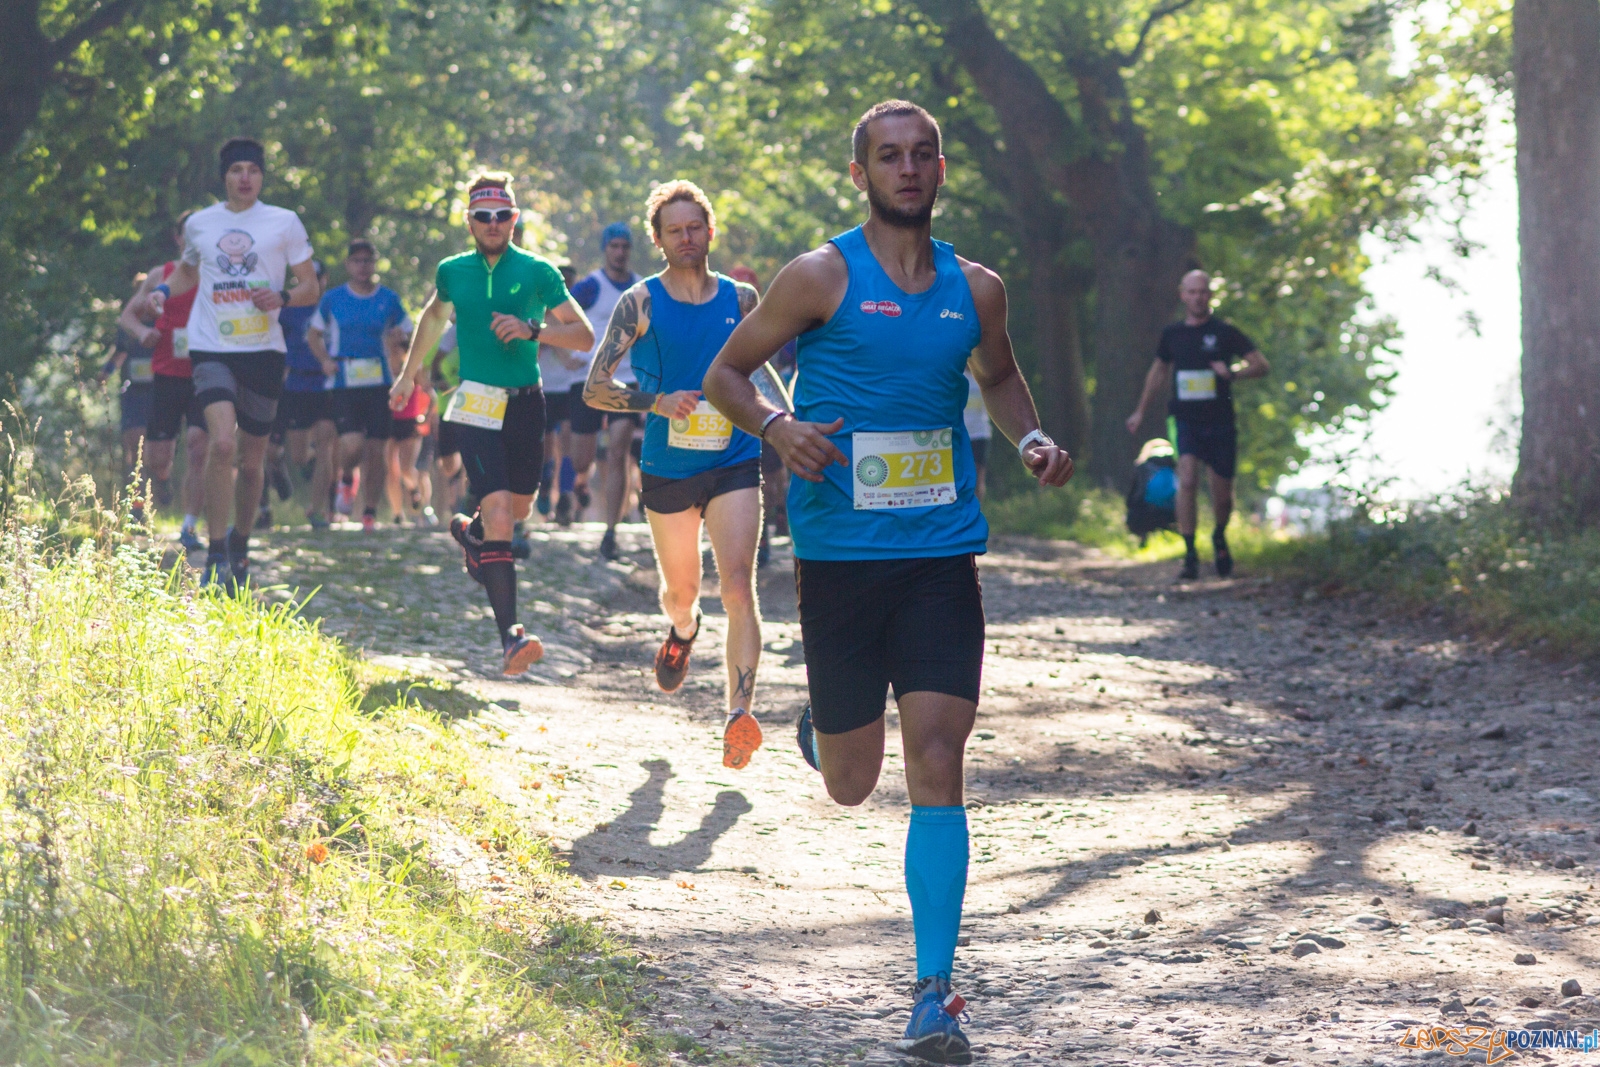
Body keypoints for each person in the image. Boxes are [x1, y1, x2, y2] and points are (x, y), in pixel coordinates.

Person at [703, 100, 1075, 1065]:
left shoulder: (977, 287)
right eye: (888, 156)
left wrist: (1031, 436)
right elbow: (727, 375)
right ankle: (824, 729)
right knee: (851, 781)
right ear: (861, 172)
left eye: (921, 155)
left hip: (941, 555)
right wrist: (778, 427)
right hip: (840, 560)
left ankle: (933, 991)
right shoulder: (819, 276)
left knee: (939, 755)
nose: (906, 169)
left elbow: (999, 377)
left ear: (940, 169)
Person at [583, 181, 767, 771]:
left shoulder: (742, 298)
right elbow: (595, 388)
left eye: (694, 228)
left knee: (737, 586)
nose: (686, 238)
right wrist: (656, 402)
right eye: (674, 231)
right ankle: (683, 630)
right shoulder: (639, 302)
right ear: (658, 241)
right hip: (668, 467)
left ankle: (738, 715)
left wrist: (786, 426)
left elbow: (766, 373)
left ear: (710, 232)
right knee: (681, 593)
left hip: (734, 458)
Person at [389, 172, 595, 675]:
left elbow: (584, 335)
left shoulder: (538, 271)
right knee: (500, 511)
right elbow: (432, 318)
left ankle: (474, 534)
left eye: (502, 215)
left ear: (514, 219)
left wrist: (532, 330)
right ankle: (511, 637)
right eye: (483, 216)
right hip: (475, 403)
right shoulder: (453, 271)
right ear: (470, 222)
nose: (493, 223)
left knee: (517, 509)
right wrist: (408, 376)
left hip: (526, 404)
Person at [146, 137, 319, 590]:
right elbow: (188, 272)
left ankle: (241, 543)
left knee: (252, 459)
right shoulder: (201, 223)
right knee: (222, 444)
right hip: (212, 347)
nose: (245, 177)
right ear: (224, 176)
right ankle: (216, 552)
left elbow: (310, 286)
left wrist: (281, 297)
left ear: (262, 177)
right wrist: (162, 291)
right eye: (237, 170)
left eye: (253, 170)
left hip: (263, 351)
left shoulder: (284, 221)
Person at [1125, 268, 1269, 580]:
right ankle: (1190, 554)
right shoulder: (1173, 334)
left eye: (1202, 292)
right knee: (1187, 480)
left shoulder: (1225, 332)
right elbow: (1158, 372)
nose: (1197, 297)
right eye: (1192, 292)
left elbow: (1260, 365)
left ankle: (1219, 536)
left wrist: (1233, 374)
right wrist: (1140, 411)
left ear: (1210, 295)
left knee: (1222, 496)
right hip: (1185, 420)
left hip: (1220, 422)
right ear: (1183, 295)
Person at [309, 239, 413, 532]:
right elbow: (313, 334)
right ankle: (346, 478)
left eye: (368, 260)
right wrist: (325, 360)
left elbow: (408, 332)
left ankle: (369, 512)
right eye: (357, 261)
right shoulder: (333, 298)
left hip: (380, 382)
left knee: (377, 450)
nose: (362, 266)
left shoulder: (388, 298)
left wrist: (399, 342)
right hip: (344, 380)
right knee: (352, 445)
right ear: (348, 265)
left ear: (374, 264)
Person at [121, 210, 208, 550]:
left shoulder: (218, 273)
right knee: (158, 459)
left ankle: (189, 527)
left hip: (206, 372)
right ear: (178, 238)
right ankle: (163, 478)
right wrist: (143, 332)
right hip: (168, 374)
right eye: (189, 233)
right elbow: (128, 316)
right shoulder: (162, 274)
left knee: (199, 447)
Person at [571, 222, 642, 559]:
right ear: (605, 249)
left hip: (625, 380)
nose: (620, 252)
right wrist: (566, 355)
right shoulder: (589, 286)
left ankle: (611, 531)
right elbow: (558, 317)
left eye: (625, 246)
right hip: (587, 380)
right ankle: (580, 480)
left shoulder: (642, 289)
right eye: (614, 246)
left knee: (618, 452)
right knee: (580, 459)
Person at [266, 258, 327, 527]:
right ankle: (294, 464)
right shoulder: (288, 310)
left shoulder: (331, 306)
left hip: (326, 384)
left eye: (317, 277)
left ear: (323, 280)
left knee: (326, 445)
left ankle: (318, 510)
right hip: (295, 384)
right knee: (299, 455)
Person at [536, 263, 593, 526]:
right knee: (547, 446)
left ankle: (566, 497)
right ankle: (545, 486)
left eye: (571, 283)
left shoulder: (579, 316)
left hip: (570, 387)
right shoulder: (539, 314)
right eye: (564, 283)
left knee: (568, 443)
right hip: (544, 387)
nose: (568, 288)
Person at [105, 275, 155, 521]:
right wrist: (105, 372)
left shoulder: (164, 322)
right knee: (134, 451)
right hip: (133, 393)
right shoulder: (127, 325)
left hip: (159, 393)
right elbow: (120, 352)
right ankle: (137, 507)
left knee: (156, 453)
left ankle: (162, 486)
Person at [963, 370, 992, 500]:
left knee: (978, 478)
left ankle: (977, 508)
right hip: (961, 434)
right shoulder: (957, 377)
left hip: (980, 434)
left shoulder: (982, 377)